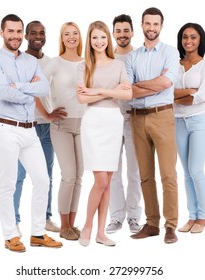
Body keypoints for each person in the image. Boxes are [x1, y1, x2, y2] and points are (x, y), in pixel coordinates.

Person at [0, 14, 63, 252]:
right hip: (7, 129)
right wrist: (27, 93)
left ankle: (38, 233)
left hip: (30, 132)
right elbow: (1, 92)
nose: (16, 36)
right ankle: (10, 235)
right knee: (8, 183)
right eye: (11, 32)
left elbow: (43, 88)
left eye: (19, 32)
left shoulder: (30, 61)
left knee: (42, 180)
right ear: (2, 33)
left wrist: (17, 86)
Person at [124, 7, 180, 244]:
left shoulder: (170, 52)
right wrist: (154, 84)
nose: (151, 28)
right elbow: (128, 91)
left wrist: (142, 85)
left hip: (162, 117)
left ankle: (170, 226)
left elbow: (167, 83)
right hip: (137, 118)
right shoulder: (131, 57)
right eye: (148, 23)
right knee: (145, 176)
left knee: (168, 174)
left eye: (155, 24)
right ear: (142, 25)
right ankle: (152, 223)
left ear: (161, 26)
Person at [77, 21, 132, 247]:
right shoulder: (83, 66)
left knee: (107, 181)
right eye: (94, 38)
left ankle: (101, 232)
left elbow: (127, 94)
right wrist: (112, 92)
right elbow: (82, 99)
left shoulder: (118, 65)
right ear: (89, 41)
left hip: (113, 122)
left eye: (102, 37)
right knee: (100, 180)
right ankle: (87, 225)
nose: (99, 42)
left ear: (108, 39)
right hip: (93, 123)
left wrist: (97, 90)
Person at [14, 20, 66, 237]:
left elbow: (51, 90)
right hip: (25, 126)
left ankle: (45, 218)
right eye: (33, 33)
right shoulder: (20, 60)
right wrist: (45, 112)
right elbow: (28, 93)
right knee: (18, 176)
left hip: (46, 128)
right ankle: (14, 221)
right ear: (26, 36)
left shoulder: (51, 62)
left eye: (41, 33)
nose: (38, 36)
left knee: (46, 175)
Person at [42, 22, 86, 241]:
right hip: (62, 125)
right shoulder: (55, 63)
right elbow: (36, 88)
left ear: (80, 36)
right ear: (61, 38)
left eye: (75, 33)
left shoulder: (87, 63)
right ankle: (64, 225)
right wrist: (49, 112)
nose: (71, 37)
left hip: (84, 125)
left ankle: (72, 224)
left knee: (79, 176)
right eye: (66, 34)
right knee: (68, 175)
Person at [174, 23, 205, 234]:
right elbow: (168, 93)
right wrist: (188, 91)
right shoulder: (176, 63)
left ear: (200, 40)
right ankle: (191, 217)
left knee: (196, 170)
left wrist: (181, 95)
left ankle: (203, 217)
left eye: (193, 37)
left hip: (199, 122)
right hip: (178, 122)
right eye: (185, 37)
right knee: (187, 172)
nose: (188, 41)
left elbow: (201, 97)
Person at [106, 14, 142, 234]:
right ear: (113, 33)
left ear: (132, 32)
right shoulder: (107, 57)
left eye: (125, 30)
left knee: (135, 171)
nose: (122, 34)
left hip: (134, 118)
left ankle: (134, 217)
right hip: (110, 119)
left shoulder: (139, 56)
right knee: (113, 170)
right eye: (118, 31)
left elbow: (139, 89)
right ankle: (116, 217)